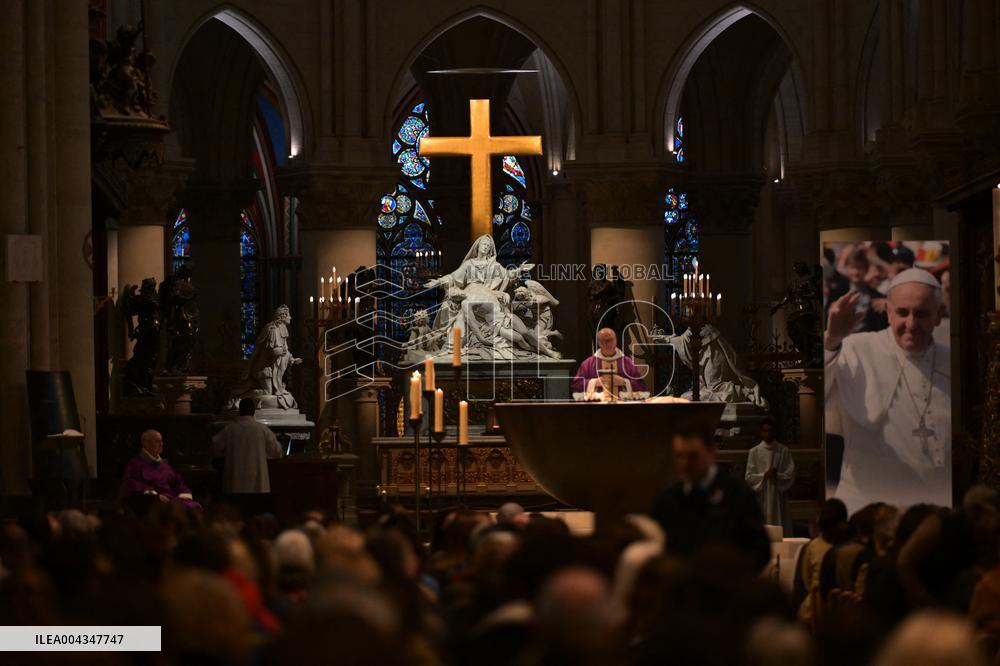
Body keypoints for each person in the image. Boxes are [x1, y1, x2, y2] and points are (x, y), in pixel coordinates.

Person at [824, 268, 951, 512]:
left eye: (922, 314)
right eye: (902, 313)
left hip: (933, 505)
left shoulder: (951, 360)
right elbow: (817, 395)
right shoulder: (856, 349)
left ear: (938, 315)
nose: (911, 324)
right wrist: (831, 340)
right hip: (865, 506)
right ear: (889, 313)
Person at [650, 428, 770, 571]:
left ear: (711, 452)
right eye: (679, 456)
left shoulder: (737, 493)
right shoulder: (668, 498)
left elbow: (759, 550)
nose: (685, 463)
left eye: (693, 456)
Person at [211, 398, 284, 494]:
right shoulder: (262, 430)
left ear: (239, 410)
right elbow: (276, 451)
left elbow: (215, 448)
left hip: (235, 478)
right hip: (258, 478)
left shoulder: (230, 430)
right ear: (254, 411)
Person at [123, 429, 201, 509]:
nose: (161, 444)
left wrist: (183, 494)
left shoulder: (165, 465)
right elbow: (132, 484)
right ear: (146, 443)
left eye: (161, 441)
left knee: (195, 506)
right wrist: (156, 496)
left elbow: (179, 483)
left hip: (171, 499)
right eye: (157, 441)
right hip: (152, 502)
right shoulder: (135, 464)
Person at [745, 417, 795, 536]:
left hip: (778, 495)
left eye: (770, 430)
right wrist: (764, 475)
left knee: (780, 525)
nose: (768, 433)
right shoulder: (754, 451)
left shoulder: (783, 450)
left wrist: (777, 476)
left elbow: (791, 474)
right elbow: (749, 477)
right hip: (762, 495)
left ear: (775, 431)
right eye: (765, 430)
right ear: (761, 432)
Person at [571, 327, 647, 395]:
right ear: (599, 343)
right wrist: (595, 382)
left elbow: (641, 386)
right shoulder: (588, 364)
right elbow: (576, 386)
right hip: (596, 408)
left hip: (623, 407)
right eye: (603, 341)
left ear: (616, 340)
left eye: (610, 340)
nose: (607, 344)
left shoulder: (627, 363)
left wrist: (623, 382)